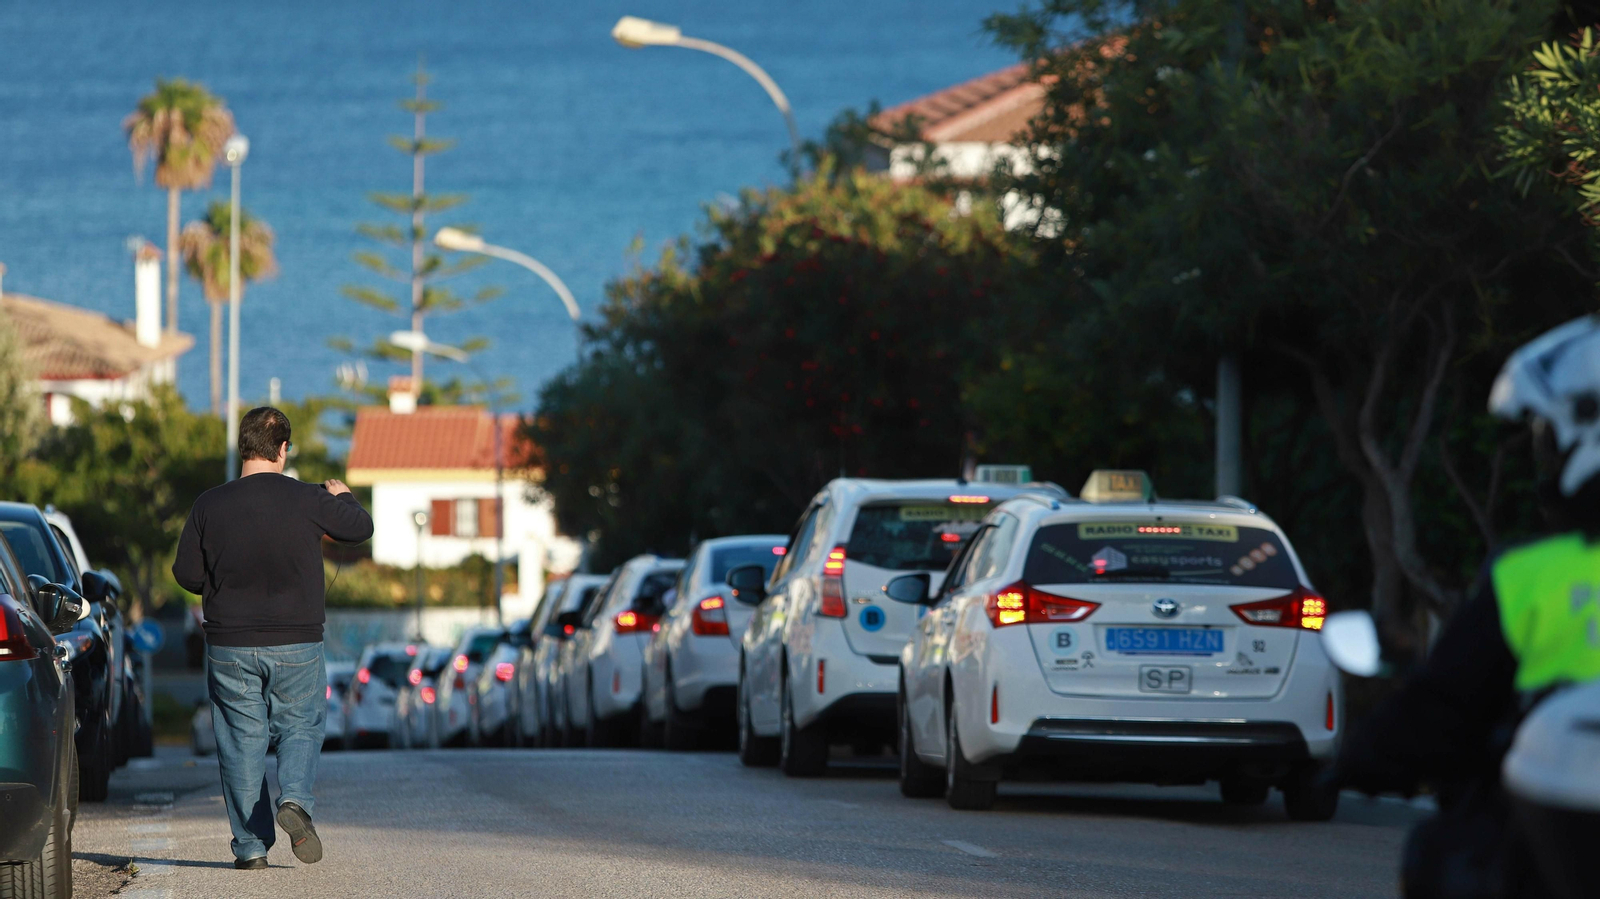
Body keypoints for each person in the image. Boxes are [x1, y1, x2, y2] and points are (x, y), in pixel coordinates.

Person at [1335, 315, 1600, 898]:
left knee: (1450, 856)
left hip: (1549, 852)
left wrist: (1359, 757)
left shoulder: (1534, 577)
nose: (1543, 455)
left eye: (1547, 437)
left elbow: (1442, 705)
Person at [173, 406, 374, 870]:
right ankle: (297, 802)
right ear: (283, 450)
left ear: (243, 447)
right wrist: (344, 498)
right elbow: (359, 529)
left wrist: (224, 585)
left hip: (228, 644)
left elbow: (186, 573)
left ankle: (250, 847)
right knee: (300, 725)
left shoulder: (209, 504)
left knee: (240, 741)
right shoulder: (308, 499)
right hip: (298, 642)